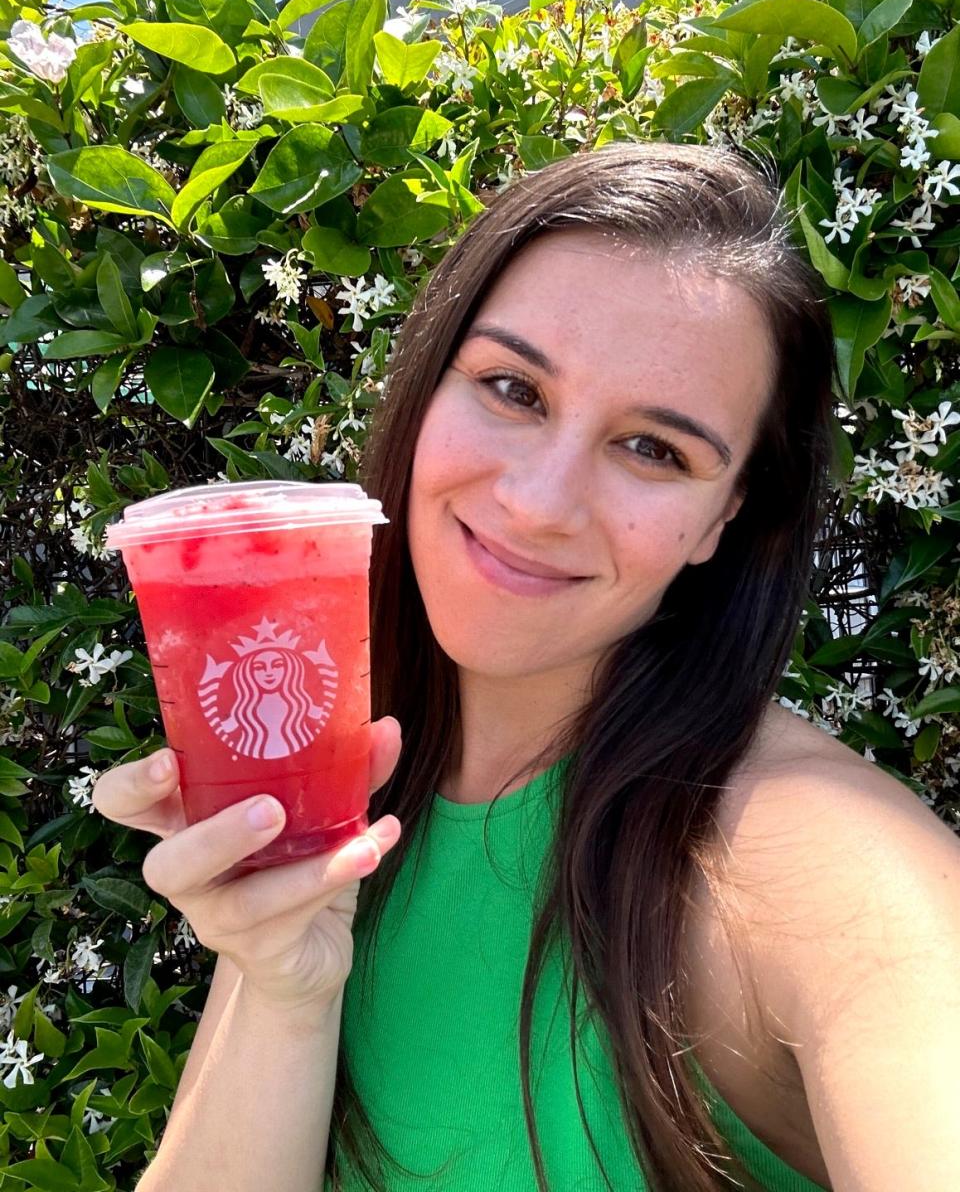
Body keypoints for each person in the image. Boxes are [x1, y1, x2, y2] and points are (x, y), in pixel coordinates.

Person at [93, 142, 960, 1192]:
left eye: (655, 449)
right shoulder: (350, 780)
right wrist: (281, 983)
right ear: (426, 388)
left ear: (722, 519)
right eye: (512, 387)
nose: (540, 502)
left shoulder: (821, 863)